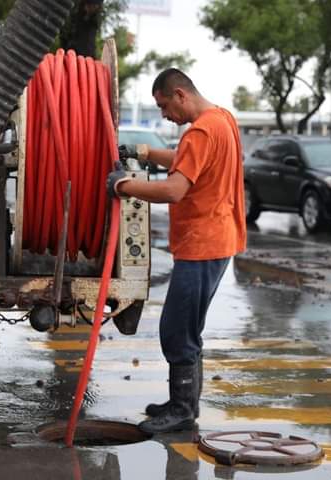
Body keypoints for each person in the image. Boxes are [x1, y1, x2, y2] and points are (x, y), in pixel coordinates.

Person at [107, 68, 246, 434]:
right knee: (188, 327)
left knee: (176, 328)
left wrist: (124, 185)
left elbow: (174, 190)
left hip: (202, 244)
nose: (165, 114)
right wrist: (145, 152)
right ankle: (183, 403)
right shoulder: (222, 120)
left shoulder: (200, 130)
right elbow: (188, 161)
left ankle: (183, 409)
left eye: (165, 105)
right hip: (217, 240)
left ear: (181, 94)